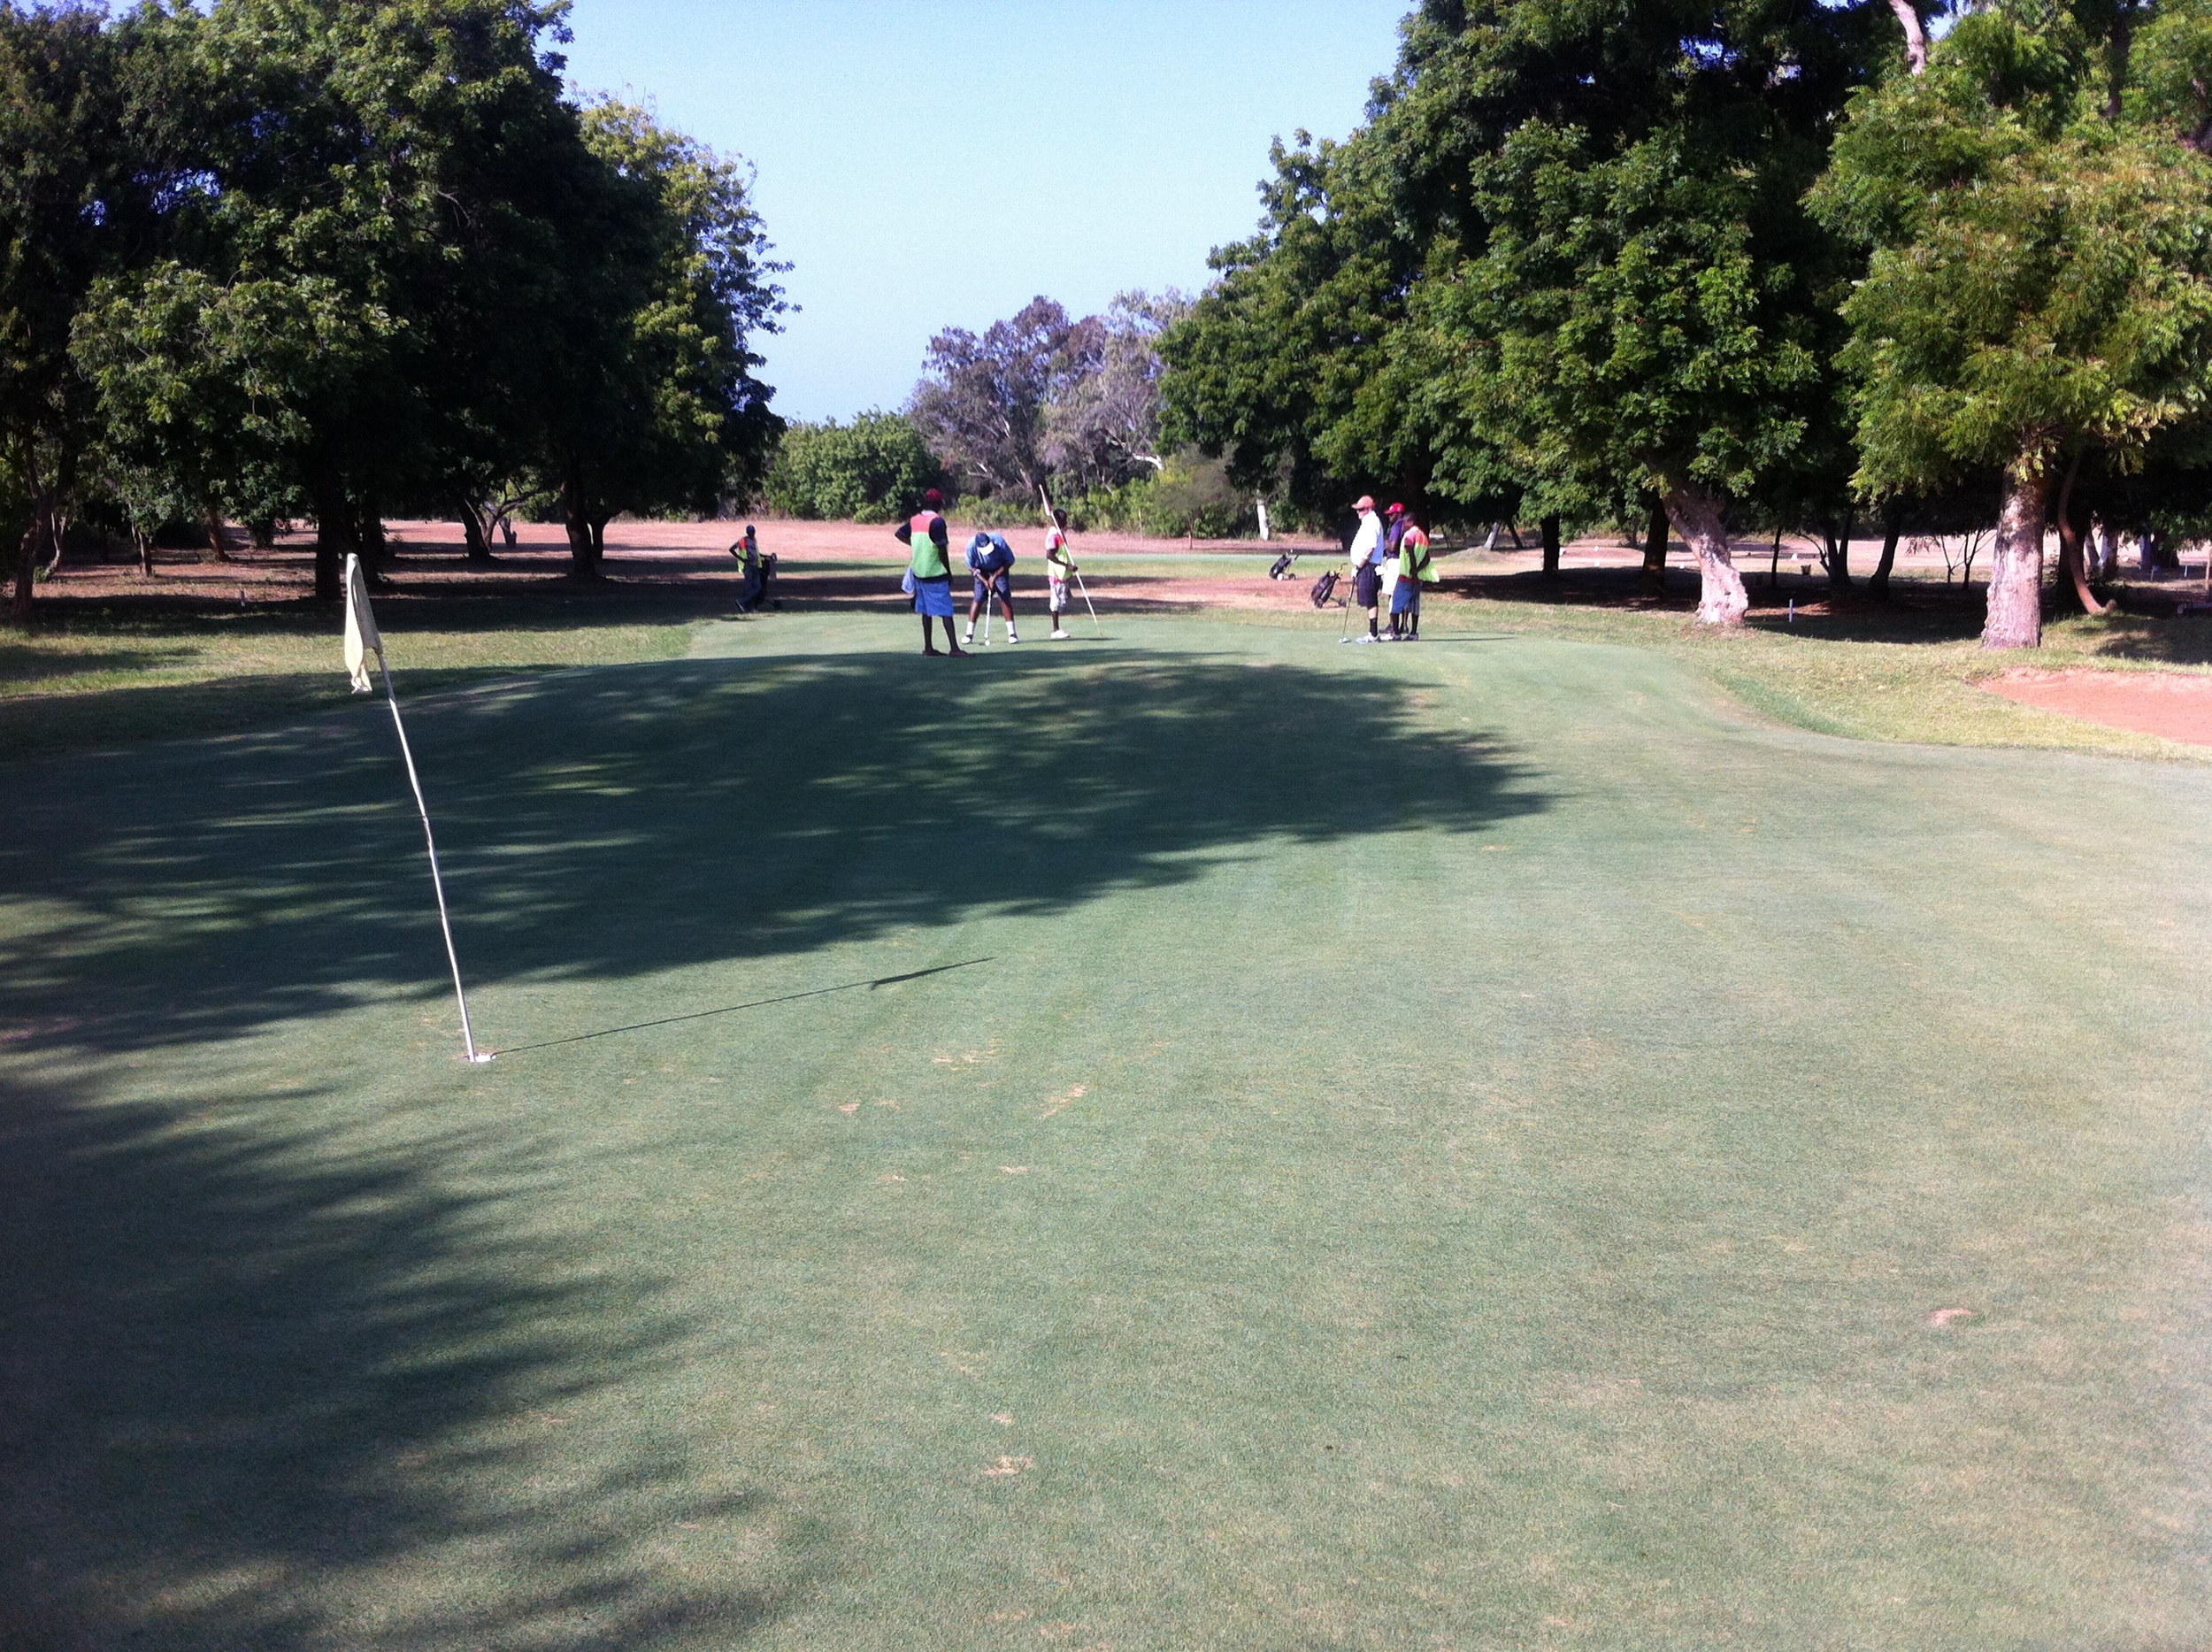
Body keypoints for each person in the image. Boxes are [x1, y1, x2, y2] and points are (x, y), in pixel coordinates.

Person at [895, 488, 964, 656]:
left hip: (919, 571)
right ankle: (954, 648)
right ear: (938, 503)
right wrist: (948, 572)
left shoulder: (915, 520)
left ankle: (928, 647)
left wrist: (918, 546)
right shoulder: (937, 521)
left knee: (925, 611)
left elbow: (899, 534)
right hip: (935, 571)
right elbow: (941, 550)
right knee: (946, 610)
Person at [964, 530, 1018, 644]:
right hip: (981, 571)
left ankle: (1012, 634)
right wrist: (985, 580)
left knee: (1004, 597)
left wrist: (995, 576)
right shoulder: (971, 547)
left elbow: (1010, 561)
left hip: (999, 568)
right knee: (978, 598)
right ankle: (969, 635)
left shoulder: (999, 541)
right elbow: (971, 567)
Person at [1346, 495, 1385, 642]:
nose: (1358, 512)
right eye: (1357, 509)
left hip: (1369, 566)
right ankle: (1372, 632)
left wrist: (1359, 565)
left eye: (1361, 509)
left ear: (1369, 509)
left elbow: (1370, 548)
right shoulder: (1367, 522)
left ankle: (1373, 634)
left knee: (1370, 599)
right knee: (1367, 599)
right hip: (1365, 566)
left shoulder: (1372, 522)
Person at [1392, 511, 1433, 640]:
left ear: (1411, 522)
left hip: (1406, 576)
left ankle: (1396, 633)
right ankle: (1414, 633)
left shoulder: (1409, 535)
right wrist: (1418, 570)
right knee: (1414, 605)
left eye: (1405, 522)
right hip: (1417, 578)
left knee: (1396, 604)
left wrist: (1413, 569)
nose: (1403, 525)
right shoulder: (1423, 536)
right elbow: (1427, 559)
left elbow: (1409, 549)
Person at [1044, 509, 1075, 639]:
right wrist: (1066, 566)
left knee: (1062, 601)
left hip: (1063, 574)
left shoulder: (1060, 533)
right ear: (1058, 520)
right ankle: (1056, 630)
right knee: (1056, 601)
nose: (1066, 522)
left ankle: (1057, 629)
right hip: (1056, 574)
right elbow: (1050, 555)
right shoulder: (1054, 535)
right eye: (1064, 519)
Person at [1379, 502, 1408, 634]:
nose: (1390, 517)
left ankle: (1393, 625)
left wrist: (1385, 543)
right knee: (1403, 594)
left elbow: (1392, 547)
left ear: (1398, 513)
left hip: (1394, 561)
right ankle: (1404, 625)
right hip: (1403, 561)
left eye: (1392, 514)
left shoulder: (1397, 526)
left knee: (1392, 594)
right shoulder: (1406, 526)